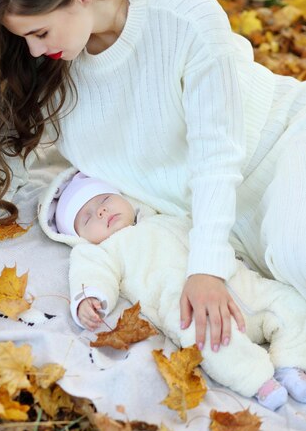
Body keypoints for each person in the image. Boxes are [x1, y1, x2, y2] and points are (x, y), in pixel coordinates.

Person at [0, 0, 306, 355]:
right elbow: (19, 157)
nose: (33, 49)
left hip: (282, 148)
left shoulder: (179, 9)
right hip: (223, 227)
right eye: (24, 37)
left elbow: (217, 151)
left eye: (39, 32)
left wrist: (207, 267)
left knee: (293, 250)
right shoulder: (53, 64)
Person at [38, 167, 306, 411]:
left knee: (288, 301)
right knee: (210, 339)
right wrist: (90, 297)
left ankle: (289, 361)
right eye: (87, 217)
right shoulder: (101, 250)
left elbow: (207, 228)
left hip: (235, 281)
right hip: (184, 303)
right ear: (78, 237)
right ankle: (256, 379)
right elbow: (91, 273)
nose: (101, 211)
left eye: (105, 200)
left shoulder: (160, 213)